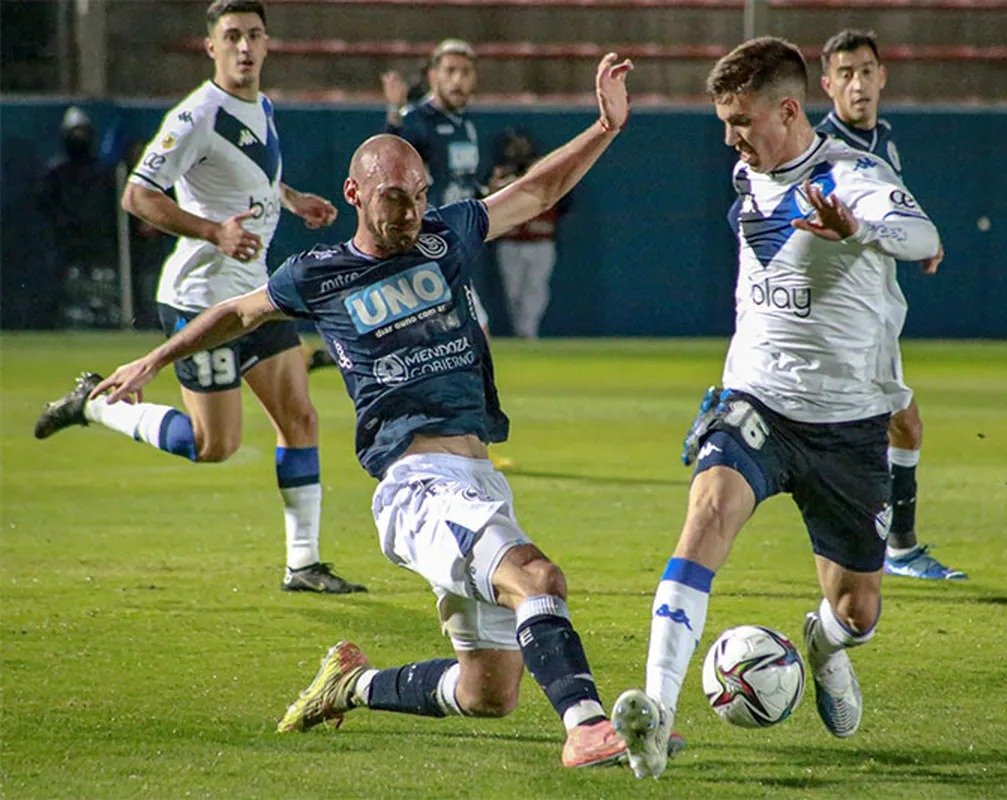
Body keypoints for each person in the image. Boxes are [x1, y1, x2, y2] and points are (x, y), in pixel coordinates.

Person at [87, 53, 635, 769]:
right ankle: (589, 725)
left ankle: (352, 685)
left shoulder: (446, 233)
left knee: (489, 692)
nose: (408, 211)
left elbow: (536, 191)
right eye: (393, 199)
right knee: (538, 578)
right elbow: (236, 312)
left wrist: (604, 127)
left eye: (417, 195)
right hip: (418, 487)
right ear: (355, 193)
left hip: (476, 483)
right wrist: (153, 361)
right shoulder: (320, 274)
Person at [611, 37, 941, 779]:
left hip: (848, 422)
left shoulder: (852, 176)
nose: (730, 138)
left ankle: (821, 648)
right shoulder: (747, 168)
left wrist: (862, 230)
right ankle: (656, 715)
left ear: (789, 110)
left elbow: (924, 234)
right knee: (706, 517)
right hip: (756, 400)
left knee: (858, 611)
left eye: (740, 121)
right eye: (724, 122)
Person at [32, 0, 364, 594]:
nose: (244, 46)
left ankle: (304, 563)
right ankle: (98, 406)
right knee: (216, 445)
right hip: (199, 298)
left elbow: (249, 175)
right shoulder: (196, 116)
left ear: (267, 44)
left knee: (301, 418)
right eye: (232, 36)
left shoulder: (259, 104)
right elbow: (138, 196)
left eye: (254, 35)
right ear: (210, 46)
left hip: (255, 294)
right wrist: (214, 231)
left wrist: (292, 200)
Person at [814, 29, 965, 581]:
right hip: (844, 314)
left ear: (883, 75)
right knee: (894, 426)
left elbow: (889, 216)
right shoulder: (825, 152)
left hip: (872, 310)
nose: (858, 83)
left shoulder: (883, 143)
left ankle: (736, 414)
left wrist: (923, 240)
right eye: (846, 74)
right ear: (827, 85)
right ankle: (895, 549)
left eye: (866, 70)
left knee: (897, 425)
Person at [381, 38, 491, 335]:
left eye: (466, 72)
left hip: (454, 242)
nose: (458, 80)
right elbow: (391, 164)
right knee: (475, 333)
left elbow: (459, 181)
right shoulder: (418, 120)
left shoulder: (464, 124)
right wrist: (394, 116)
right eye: (450, 71)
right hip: (426, 242)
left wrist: (484, 192)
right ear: (433, 76)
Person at [32, 106, 120, 328]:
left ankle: (105, 321)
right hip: (64, 242)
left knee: (103, 283)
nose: (79, 139)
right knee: (64, 284)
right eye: (74, 133)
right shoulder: (55, 172)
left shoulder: (103, 173)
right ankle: (60, 321)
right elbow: (43, 204)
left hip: (99, 241)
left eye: (83, 133)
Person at [489, 128, 570, 339]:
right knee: (513, 290)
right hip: (511, 240)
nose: (519, 151)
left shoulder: (545, 172)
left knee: (536, 289)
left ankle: (528, 332)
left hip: (541, 241)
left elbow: (566, 202)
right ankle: (521, 330)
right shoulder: (500, 174)